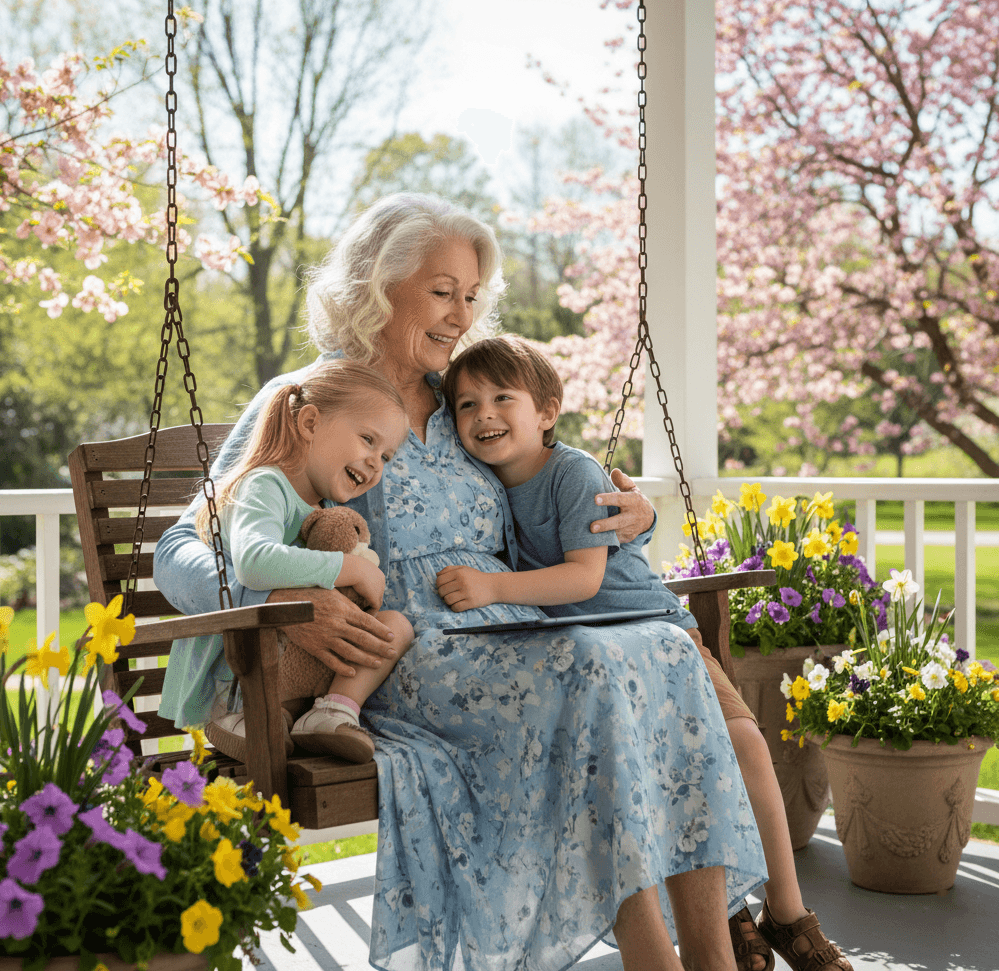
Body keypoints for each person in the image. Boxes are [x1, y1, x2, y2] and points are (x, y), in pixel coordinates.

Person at [154, 192, 767, 971]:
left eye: (471, 296)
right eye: (442, 291)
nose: (459, 314)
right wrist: (276, 600)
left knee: (664, 655)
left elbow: (557, 491)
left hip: (510, 633)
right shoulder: (313, 400)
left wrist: (634, 518)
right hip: (409, 655)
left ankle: (710, 960)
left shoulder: (464, 400)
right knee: (591, 670)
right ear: (378, 283)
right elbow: (179, 548)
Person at [438, 334, 854, 971]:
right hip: (602, 662)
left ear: (547, 410)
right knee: (654, 777)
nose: (484, 415)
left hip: (660, 636)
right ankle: (728, 912)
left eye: (502, 398)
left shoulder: (570, 473)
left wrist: (492, 587)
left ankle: (787, 910)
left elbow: (583, 579)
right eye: (466, 406)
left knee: (741, 745)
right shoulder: (483, 488)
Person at [188, 360, 414, 764]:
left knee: (395, 627)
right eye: (367, 440)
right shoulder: (264, 485)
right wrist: (351, 569)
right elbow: (254, 562)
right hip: (241, 665)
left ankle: (332, 711)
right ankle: (249, 717)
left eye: (387, 456)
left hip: (300, 660)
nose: (376, 463)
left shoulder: (319, 508)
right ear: (310, 422)